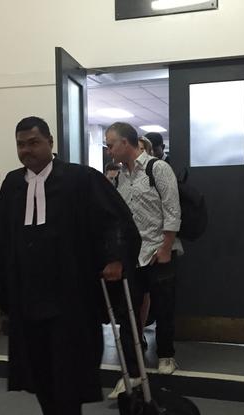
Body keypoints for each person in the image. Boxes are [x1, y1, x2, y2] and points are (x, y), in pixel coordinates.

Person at [0, 116, 140, 415]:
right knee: (39, 375)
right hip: (25, 298)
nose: (26, 150)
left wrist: (114, 257)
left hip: (70, 299)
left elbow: (116, 219)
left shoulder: (80, 179)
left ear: (49, 141)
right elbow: (0, 236)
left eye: (33, 142)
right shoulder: (12, 185)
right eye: (20, 144)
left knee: (66, 377)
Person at [105, 122, 182, 399]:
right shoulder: (121, 177)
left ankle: (166, 355)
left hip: (159, 250)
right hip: (133, 256)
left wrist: (166, 246)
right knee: (129, 313)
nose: (109, 150)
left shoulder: (157, 169)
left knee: (163, 307)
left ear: (127, 143)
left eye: (111, 144)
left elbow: (172, 209)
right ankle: (134, 372)